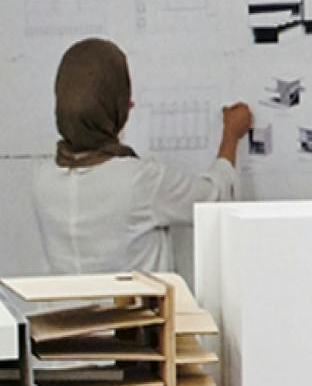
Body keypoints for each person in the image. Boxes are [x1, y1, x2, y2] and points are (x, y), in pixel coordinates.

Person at [29, 38, 248, 275]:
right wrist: (231, 136)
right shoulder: (138, 180)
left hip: (63, 312)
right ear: (118, 105)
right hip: (133, 313)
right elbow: (214, 199)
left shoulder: (42, 179)